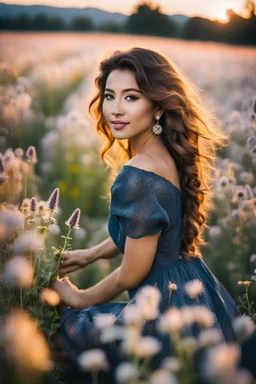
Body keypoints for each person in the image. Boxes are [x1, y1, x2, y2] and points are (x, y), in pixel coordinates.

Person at [51, 47, 256, 383]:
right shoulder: (166, 154)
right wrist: (89, 254)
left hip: (163, 303)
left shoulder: (137, 176)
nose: (115, 109)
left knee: (65, 344)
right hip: (194, 284)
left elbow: (131, 275)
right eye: (109, 96)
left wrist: (78, 297)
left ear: (158, 106)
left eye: (131, 97)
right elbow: (142, 231)